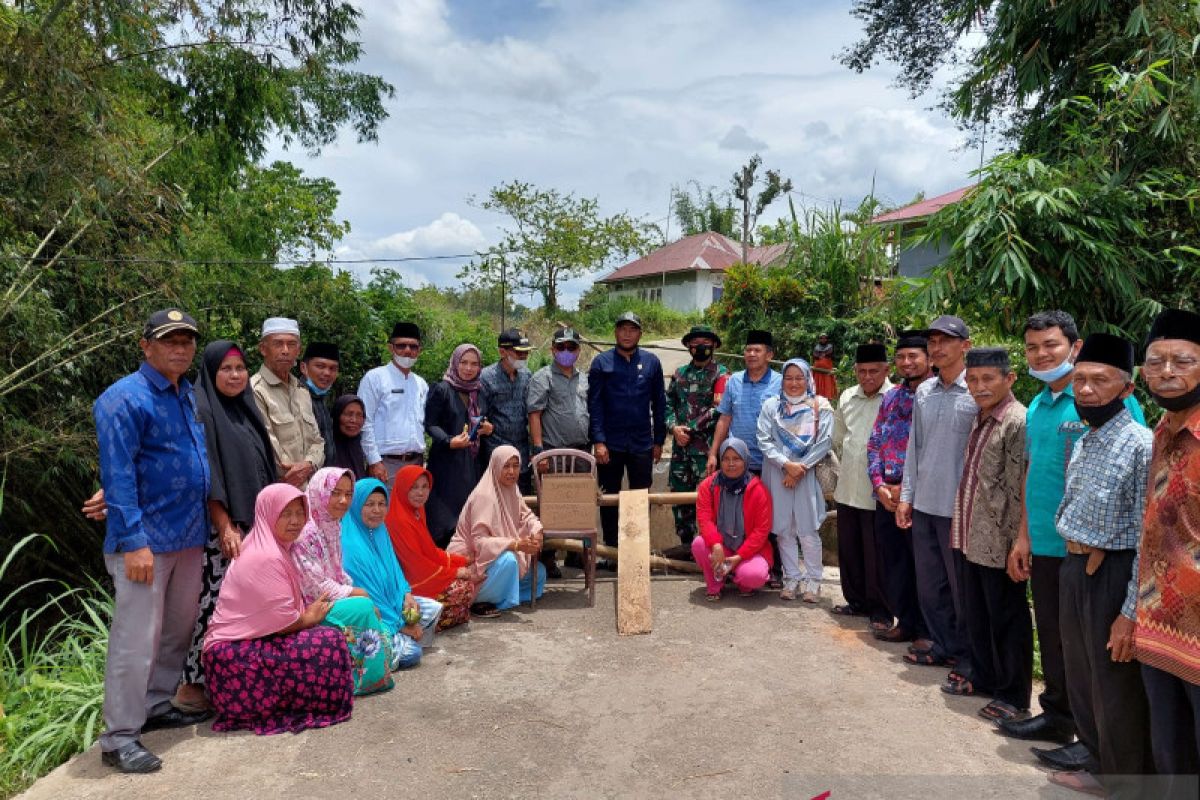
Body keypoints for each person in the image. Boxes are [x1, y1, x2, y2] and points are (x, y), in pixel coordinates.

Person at [1001, 311, 1144, 754]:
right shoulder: (1039, 405)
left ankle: (1094, 740)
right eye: (1032, 347)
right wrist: (1024, 535)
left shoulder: (1109, 407)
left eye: (1051, 345)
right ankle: (1060, 718)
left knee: (1094, 654)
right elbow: (1031, 472)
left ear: (1074, 347)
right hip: (1047, 540)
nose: (1041, 354)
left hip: (1097, 551)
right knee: (1058, 638)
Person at [94, 309, 211, 773]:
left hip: (189, 534)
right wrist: (133, 540)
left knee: (175, 629)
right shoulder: (124, 398)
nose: (180, 348)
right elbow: (118, 474)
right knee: (134, 639)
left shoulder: (187, 394)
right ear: (145, 345)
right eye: (169, 340)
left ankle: (158, 704)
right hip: (146, 543)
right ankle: (119, 737)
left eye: (186, 341)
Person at [1042, 333, 1153, 797]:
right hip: (1075, 567)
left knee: (1114, 682)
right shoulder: (1087, 439)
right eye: (1081, 380)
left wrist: (1130, 609)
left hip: (1112, 573)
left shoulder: (1140, 445)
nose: (1086, 391)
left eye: (1099, 381)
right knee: (1082, 671)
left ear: (1127, 389)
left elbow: (1148, 537)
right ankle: (1094, 756)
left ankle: (1123, 779)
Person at [203, 484, 355, 734]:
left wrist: (307, 617)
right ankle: (307, 704)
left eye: (299, 513)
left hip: (240, 649)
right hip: (231, 660)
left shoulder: (273, 547)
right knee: (328, 641)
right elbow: (283, 622)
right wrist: (307, 619)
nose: (295, 521)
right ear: (267, 513)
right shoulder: (266, 555)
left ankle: (313, 701)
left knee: (328, 639)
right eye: (286, 513)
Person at [178, 340, 277, 712]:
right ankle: (193, 685)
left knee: (247, 606)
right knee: (214, 604)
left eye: (240, 369)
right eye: (226, 369)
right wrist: (225, 525)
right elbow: (210, 476)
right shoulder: (204, 411)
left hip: (254, 524)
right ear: (210, 372)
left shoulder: (245, 408)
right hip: (224, 530)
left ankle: (233, 681)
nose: (235, 376)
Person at [945, 347, 1032, 724]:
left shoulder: (1017, 420)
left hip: (1001, 541)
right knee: (977, 614)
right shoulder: (982, 418)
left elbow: (1018, 488)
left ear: (1009, 379)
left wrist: (1018, 541)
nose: (979, 387)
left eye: (988, 379)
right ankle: (984, 677)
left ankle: (1014, 695)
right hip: (970, 534)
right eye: (973, 380)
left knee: (1007, 618)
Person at [1135, 308, 1200, 799]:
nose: (1168, 373)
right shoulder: (1161, 431)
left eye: (1183, 361)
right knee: (1170, 751)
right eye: (1156, 362)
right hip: (1158, 627)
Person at [895, 315, 976, 674]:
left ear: (965, 346)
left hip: (959, 508)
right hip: (925, 503)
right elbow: (915, 447)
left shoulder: (977, 390)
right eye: (933, 341)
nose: (938, 348)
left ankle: (968, 655)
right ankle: (943, 645)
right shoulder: (925, 391)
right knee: (931, 585)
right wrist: (906, 496)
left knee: (962, 588)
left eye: (946, 340)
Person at [288, 467, 395, 693]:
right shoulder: (306, 531)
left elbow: (338, 572)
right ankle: (363, 679)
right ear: (319, 491)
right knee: (364, 606)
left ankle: (371, 668)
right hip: (313, 608)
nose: (343, 500)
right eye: (335, 493)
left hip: (330, 600)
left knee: (381, 628)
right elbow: (315, 586)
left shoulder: (332, 524)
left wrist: (352, 589)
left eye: (348, 494)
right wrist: (356, 593)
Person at [867, 333, 933, 646]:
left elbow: (932, 452)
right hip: (886, 497)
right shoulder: (891, 396)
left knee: (925, 567)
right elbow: (875, 441)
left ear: (929, 358)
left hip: (920, 499)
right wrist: (879, 485)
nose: (907, 363)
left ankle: (928, 631)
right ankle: (905, 621)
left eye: (913, 356)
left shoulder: (935, 395)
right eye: (901, 357)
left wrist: (905, 492)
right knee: (895, 564)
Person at [342, 479, 443, 669]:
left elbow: (395, 570)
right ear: (356, 506)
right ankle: (396, 638)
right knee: (412, 654)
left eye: (381, 504)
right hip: (375, 614)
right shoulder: (350, 545)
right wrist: (401, 625)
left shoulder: (380, 531)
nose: (377, 510)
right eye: (369, 504)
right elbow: (370, 598)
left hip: (393, 603)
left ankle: (402, 635)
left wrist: (407, 594)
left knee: (432, 607)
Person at [708, 329, 783, 584]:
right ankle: (733, 563)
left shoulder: (781, 382)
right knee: (735, 517)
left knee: (770, 519)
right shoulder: (734, 381)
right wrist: (713, 453)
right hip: (736, 464)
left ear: (769, 355)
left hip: (771, 463)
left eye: (757, 350)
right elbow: (724, 418)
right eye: (748, 349)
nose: (751, 354)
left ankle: (773, 569)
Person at [588, 312, 667, 552]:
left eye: (632, 329)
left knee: (640, 496)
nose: (627, 334)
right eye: (622, 329)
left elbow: (659, 404)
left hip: (642, 443)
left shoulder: (651, 362)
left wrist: (659, 441)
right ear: (615, 332)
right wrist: (599, 441)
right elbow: (595, 405)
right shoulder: (602, 363)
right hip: (610, 444)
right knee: (609, 497)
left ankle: (637, 548)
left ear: (640, 333)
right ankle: (611, 551)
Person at [757, 359, 833, 602]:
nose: (793, 383)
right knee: (783, 531)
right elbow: (763, 439)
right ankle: (791, 578)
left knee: (808, 530)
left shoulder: (820, 406)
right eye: (788, 378)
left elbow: (824, 443)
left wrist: (799, 469)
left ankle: (813, 581)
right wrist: (786, 465)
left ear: (808, 378)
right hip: (777, 474)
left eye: (799, 378)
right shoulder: (771, 406)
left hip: (806, 476)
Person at [831, 343, 893, 625]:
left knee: (878, 554)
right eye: (862, 371)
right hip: (847, 489)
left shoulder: (895, 397)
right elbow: (837, 438)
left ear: (886, 370)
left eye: (874, 371)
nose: (867, 377)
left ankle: (881, 609)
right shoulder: (847, 397)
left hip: (878, 493)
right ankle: (855, 601)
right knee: (850, 549)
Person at [449, 446, 547, 615]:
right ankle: (475, 600)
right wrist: (516, 544)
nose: (511, 471)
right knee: (509, 562)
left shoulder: (511, 489)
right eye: (506, 466)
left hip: (495, 561)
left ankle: (496, 598)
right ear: (495, 466)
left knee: (539, 574)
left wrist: (537, 532)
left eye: (515, 466)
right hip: (473, 563)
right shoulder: (484, 496)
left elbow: (527, 515)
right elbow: (479, 543)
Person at [386, 465, 480, 631]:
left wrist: (462, 561)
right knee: (464, 588)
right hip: (410, 584)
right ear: (402, 488)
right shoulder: (399, 520)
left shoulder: (415, 511)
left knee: (466, 582)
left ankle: (435, 619)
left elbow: (429, 551)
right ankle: (427, 622)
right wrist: (455, 572)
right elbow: (416, 566)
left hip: (421, 573)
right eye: (413, 487)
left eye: (424, 487)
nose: (420, 493)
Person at [424, 343, 492, 547]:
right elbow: (430, 424)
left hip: (472, 464)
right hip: (447, 464)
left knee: (468, 516)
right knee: (445, 519)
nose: (469, 368)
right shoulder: (442, 389)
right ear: (455, 363)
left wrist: (488, 428)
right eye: (464, 363)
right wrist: (448, 441)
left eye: (474, 364)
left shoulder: (480, 391)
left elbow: (484, 419)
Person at [666, 325, 729, 544]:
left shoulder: (721, 374)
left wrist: (690, 429)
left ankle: (709, 545)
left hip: (707, 450)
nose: (700, 347)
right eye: (695, 343)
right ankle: (685, 545)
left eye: (705, 343)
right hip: (680, 450)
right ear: (688, 347)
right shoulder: (679, 374)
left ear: (713, 346)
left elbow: (718, 409)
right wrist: (673, 427)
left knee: (709, 499)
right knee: (680, 497)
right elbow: (668, 403)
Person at [692, 438, 773, 601]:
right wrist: (716, 544)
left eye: (736, 459)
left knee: (753, 575)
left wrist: (738, 557)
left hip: (749, 551)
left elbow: (761, 532)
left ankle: (743, 582)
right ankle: (715, 584)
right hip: (722, 547)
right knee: (699, 544)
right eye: (726, 459)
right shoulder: (708, 485)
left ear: (745, 460)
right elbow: (704, 519)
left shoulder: (758, 490)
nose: (730, 464)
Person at [251, 317, 325, 487]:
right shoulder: (256, 390)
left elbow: (318, 441)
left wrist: (309, 464)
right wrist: (295, 475)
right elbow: (268, 448)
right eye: (278, 344)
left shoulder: (302, 390)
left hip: (310, 486)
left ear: (298, 351)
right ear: (263, 349)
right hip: (280, 487)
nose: (285, 351)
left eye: (291, 345)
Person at [358, 322, 429, 484]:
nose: (407, 351)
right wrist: (374, 461)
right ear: (391, 348)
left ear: (419, 351)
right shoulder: (375, 378)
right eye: (401, 345)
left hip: (416, 462)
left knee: (412, 509)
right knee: (385, 509)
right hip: (385, 464)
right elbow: (365, 422)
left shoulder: (421, 384)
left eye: (413, 347)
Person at [480, 328, 534, 493]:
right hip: (496, 449)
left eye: (526, 353)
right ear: (502, 352)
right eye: (519, 353)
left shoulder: (527, 375)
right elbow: (480, 414)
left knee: (522, 499)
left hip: (522, 451)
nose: (523, 357)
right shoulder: (486, 377)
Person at [528, 326, 590, 456]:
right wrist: (539, 451)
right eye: (561, 347)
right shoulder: (542, 378)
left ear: (578, 351)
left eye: (571, 348)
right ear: (553, 350)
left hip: (582, 451)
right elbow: (534, 415)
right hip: (552, 452)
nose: (566, 351)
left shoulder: (583, 378)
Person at [299, 341, 341, 467]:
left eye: (333, 368)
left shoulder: (321, 398)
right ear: (303, 368)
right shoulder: (295, 397)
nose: (327, 373)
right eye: (320, 366)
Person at [329, 394, 369, 479]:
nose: (354, 420)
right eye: (348, 414)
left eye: (359, 415)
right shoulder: (327, 449)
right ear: (337, 416)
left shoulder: (365, 451)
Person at [811, 333, 838, 400]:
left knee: (827, 382)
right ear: (819, 339)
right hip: (817, 368)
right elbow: (815, 356)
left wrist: (822, 355)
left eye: (825, 338)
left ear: (827, 339)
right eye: (821, 338)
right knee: (817, 381)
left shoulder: (830, 346)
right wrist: (822, 355)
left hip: (827, 367)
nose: (823, 339)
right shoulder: (816, 347)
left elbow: (829, 354)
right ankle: (817, 394)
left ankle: (828, 395)